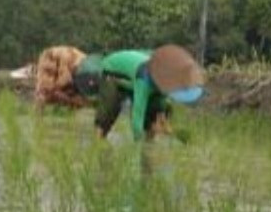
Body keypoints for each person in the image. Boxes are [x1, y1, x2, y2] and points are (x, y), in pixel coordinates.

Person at [72, 44, 205, 142]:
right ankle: (98, 142)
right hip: (112, 73)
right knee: (110, 107)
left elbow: (160, 105)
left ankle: (149, 143)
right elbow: (137, 115)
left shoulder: (165, 83)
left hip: (132, 80)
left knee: (154, 111)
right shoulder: (145, 80)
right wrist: (138, 146)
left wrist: (164, 121)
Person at [33, 45, 90, 109]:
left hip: (84, 76)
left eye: (49, 71)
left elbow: (66, 79)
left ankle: (80, 103)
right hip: (82, 76)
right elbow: (42, 80)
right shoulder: (45, 60)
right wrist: (41, 91)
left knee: (58, 93)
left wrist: (51, 89)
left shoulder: (64, 56)